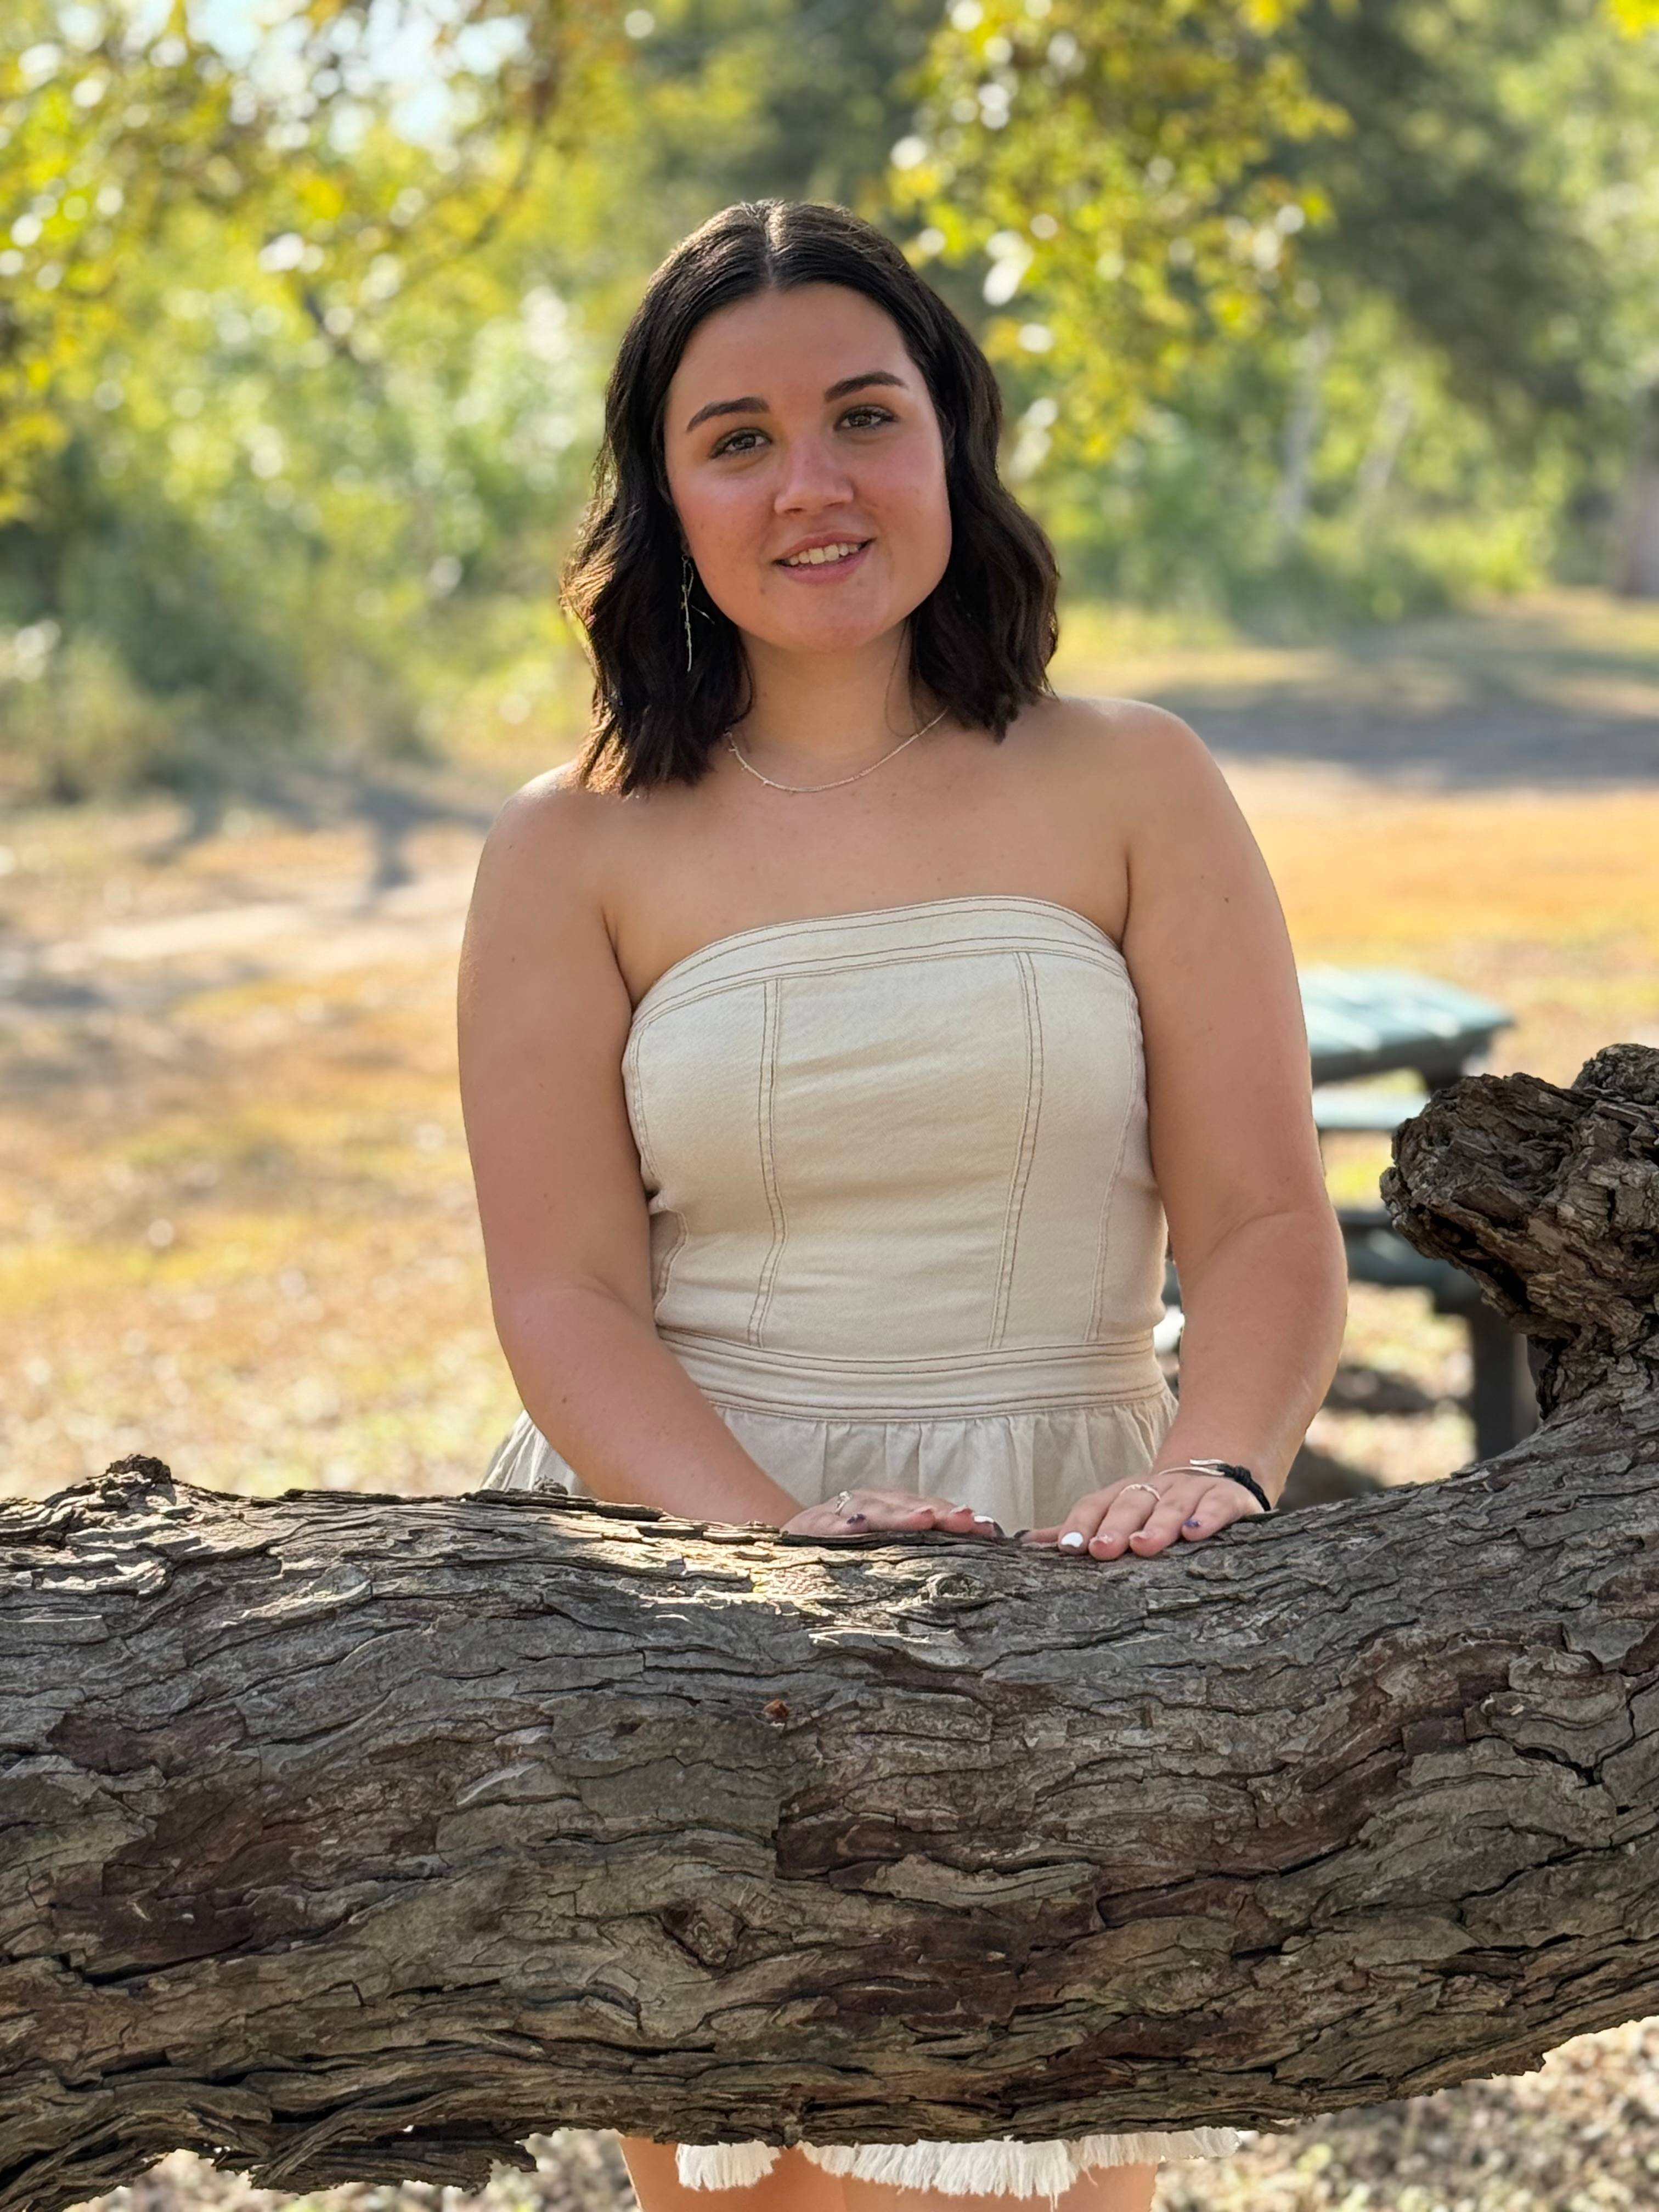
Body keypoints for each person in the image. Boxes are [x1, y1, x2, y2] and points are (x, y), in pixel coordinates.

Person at [458, 196, 1348, 2212]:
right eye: (738, 439)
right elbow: (569, 1289)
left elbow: (1269, 1223)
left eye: (864, 414)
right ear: (663, 493)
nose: (814, 484)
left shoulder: (1136, 782)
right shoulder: (570, 847)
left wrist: (1217, 1472)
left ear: (951, 433)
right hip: (699, 1559)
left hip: (1074, 1545)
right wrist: (767, 1546)